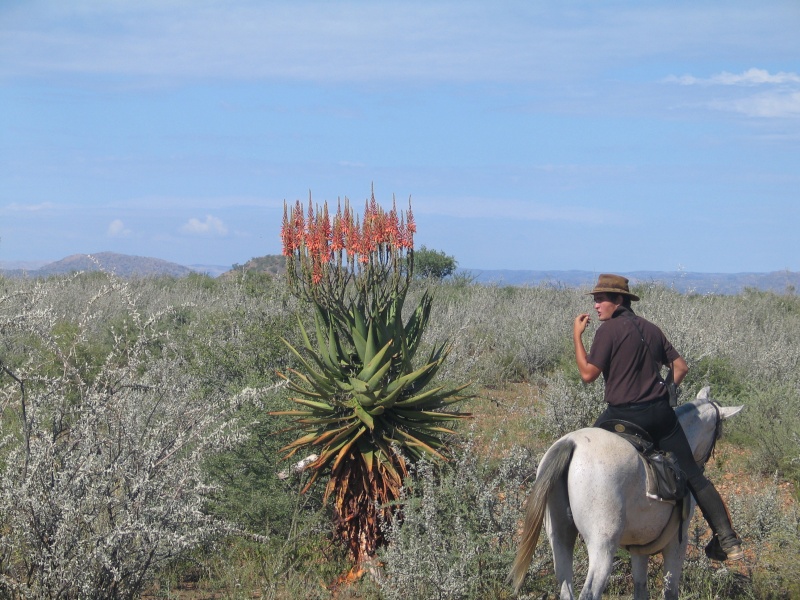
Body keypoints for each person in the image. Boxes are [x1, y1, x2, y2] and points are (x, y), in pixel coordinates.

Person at [573, 273, 743, 562]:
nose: (596, 305)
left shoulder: (607, 331)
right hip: (659, 416)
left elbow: (588, 374)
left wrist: (576, 337)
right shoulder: (652, 329)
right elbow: (681, 367)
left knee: (584, 456)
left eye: (601, 299)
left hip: (620, 416)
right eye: (596, 299)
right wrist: (667, 390)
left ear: (618, 300)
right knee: (694, 476)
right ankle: (727, 539)